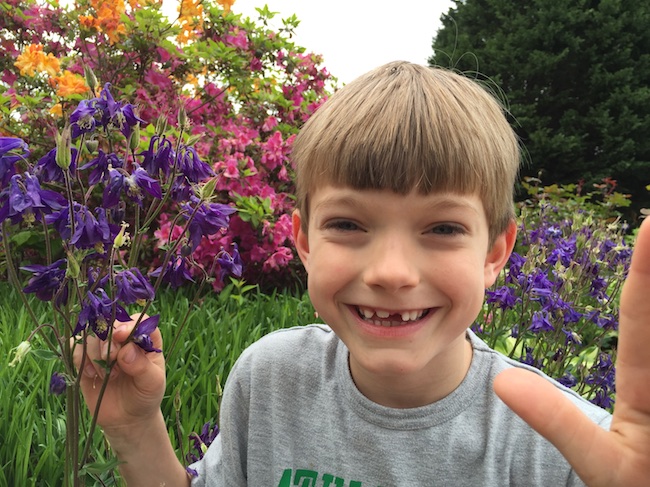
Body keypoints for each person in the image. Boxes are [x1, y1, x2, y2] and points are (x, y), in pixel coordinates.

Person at [75, 61, 650, 486]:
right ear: (302, 240)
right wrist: (135, 428)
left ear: (496, 252)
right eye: (348, 224)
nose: (392, 272)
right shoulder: (271, 378)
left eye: (443, 229)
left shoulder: (565, 447)